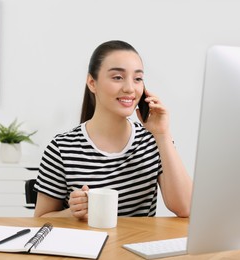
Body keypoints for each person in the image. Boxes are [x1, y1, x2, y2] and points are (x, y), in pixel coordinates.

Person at [34, 40, 192, 219]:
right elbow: (40, 219)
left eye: (138, 79)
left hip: (138, 245)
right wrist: (72, 213)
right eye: (117, 77)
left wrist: (162, 135)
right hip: (86, 246)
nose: (130, 88)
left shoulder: (153, 141)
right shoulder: (61, 148)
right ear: (92, 83)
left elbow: (186, 208)